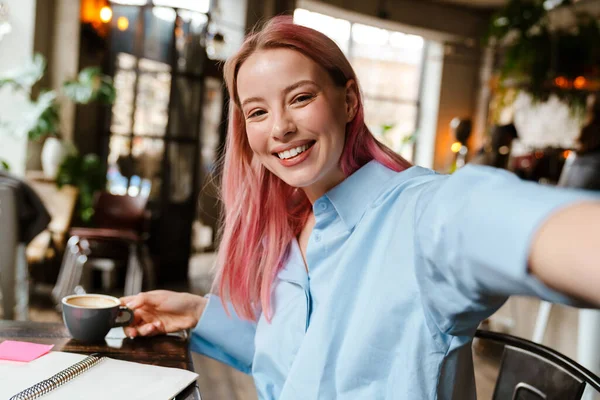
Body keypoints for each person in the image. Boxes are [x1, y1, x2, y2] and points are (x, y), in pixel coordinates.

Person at [121, 16, 600, 399]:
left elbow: (502, 220)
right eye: (258, 111)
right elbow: (303, 363)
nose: (280, 127)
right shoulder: (292, 225)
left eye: (301, 97)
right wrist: (199, 313)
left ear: (348, 101)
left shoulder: (422, 214)